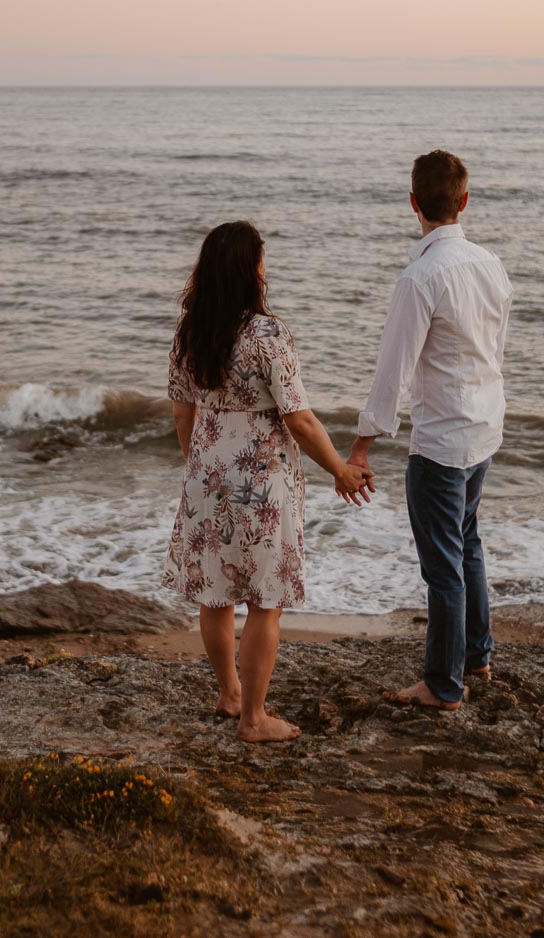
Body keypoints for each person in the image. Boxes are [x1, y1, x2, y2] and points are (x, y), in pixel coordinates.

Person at [163, 220, 374, 743]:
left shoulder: (190, 330)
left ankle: (229, 693)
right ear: (248, 269)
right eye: (261, 259)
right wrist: (341, 471)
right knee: (264, 597)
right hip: (262, 484)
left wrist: (199, 467)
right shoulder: (266, 334)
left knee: (214, 595)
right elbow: (299, 419)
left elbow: (181, 413)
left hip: (207, 477)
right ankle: (254, 719)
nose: (266, 268)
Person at [348, 150, 514, 711]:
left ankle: (443, 686)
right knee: (467, 542)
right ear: (464, 202)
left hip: (443, 441)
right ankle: (477, 656)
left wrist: (361, 446)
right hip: (484, 427)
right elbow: (494, 348)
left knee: (444, 566)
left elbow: (391, 371)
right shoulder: (491, 264)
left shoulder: (420, 276)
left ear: (413, 204)